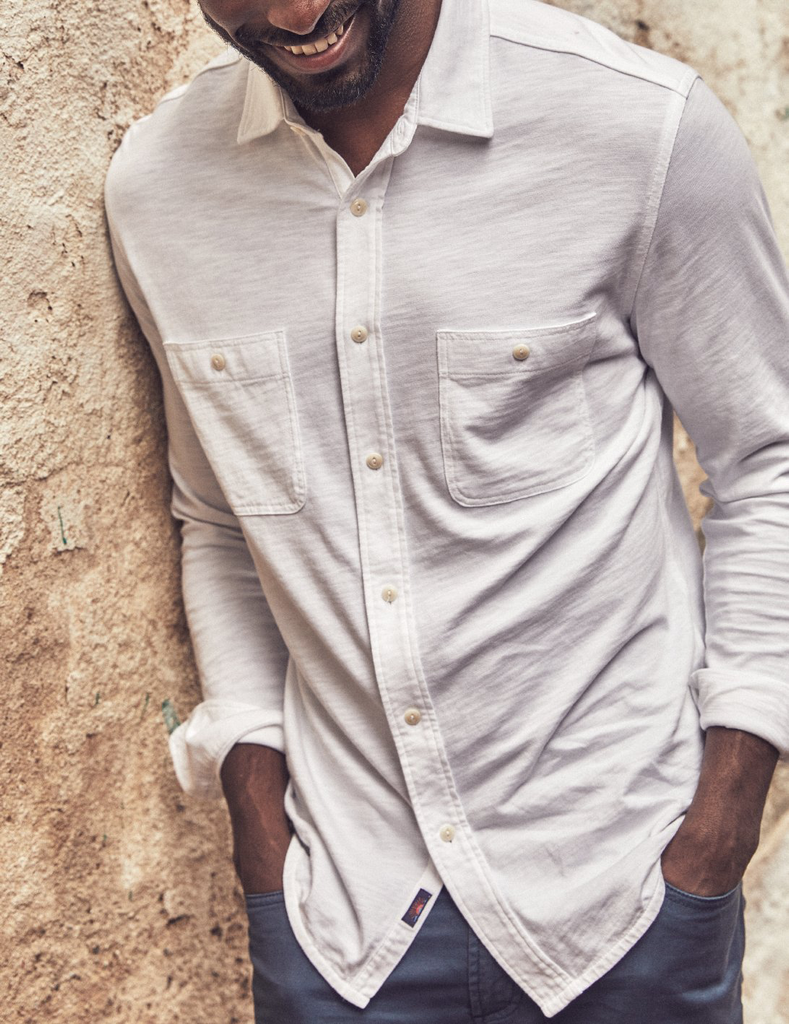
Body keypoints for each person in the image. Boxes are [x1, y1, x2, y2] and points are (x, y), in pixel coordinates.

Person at [104, 0, 789, 1020]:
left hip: (625, 895)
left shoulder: (636, 126)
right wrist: (259, 826)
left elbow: (768, 460)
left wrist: (718, 829)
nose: (295, 12)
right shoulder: (161, 188)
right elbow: (219, 517)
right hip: (343, 928)